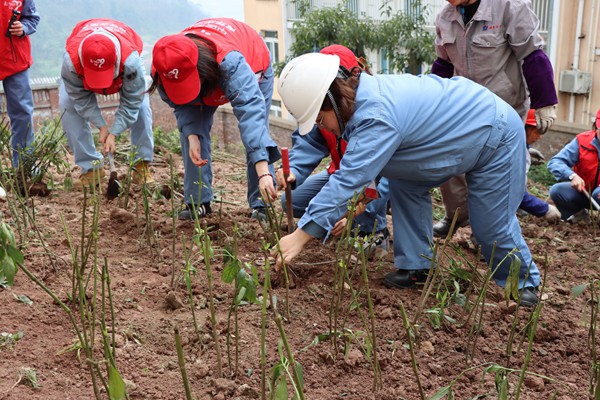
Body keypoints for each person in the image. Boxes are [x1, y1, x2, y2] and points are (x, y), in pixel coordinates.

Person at [275, 53, 542, 306]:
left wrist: (301, 235)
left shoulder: (375, 114)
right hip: (448, 141)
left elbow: (349, 178)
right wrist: (357, 202)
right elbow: (368, 165)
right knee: (405, 182)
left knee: (489, 225)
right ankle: (417, 266)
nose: (324, 129)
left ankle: (523, 284)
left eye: (321, 120)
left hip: (494, 135)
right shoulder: (362, 104)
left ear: (332, 100)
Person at [431, 0, 558, 237]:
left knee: (498, 170)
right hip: (463, 104)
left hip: (504, 106)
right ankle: (456, 217)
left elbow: (532, 54)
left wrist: (545, 101)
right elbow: (443, 64)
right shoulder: (446, 17)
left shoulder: (509, 6)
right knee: (452, 161)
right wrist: (430, 102)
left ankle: (495, 232)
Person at [150, 18, 280, 220]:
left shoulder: (230, 64)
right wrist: (192, 133)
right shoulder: (164, 67)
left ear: (199, 68)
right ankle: (198, 201)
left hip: (252, 62)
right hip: (205, 77)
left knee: (255, 133)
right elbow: (180, 104)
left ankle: (262, 203)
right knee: (191, 138)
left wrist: (264, 171)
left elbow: (251, 114)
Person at [276, 45, 389, 255]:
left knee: (369, 197)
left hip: (371, 182)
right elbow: (308, 143)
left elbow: (383, 176)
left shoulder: (370, 113)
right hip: (339, 175)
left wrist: (356, 208)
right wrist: (293, 171)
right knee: (293, 201)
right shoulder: (324, 109)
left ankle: (373, 231)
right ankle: (334, 221)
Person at [60, 18, 154, 189]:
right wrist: (102, 126)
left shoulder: (130, 61)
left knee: (141, 106)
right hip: (80, 75)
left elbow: (132, 100)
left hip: (125, 72)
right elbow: (79, 97)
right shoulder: (71, 62)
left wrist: (114, 132)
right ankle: (91, 168)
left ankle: (141, 165)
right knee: (68, 105)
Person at [0, 0, 39, 167]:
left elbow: (32, 18)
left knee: (22, 113)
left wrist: (23, 28)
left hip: (16, 60)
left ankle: (24, 169)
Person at [547, 108, 600, 222]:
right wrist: (572, 175)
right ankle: (580, 215)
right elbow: (555, 162)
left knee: (598, 193)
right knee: (557, 191)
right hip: (583, 192)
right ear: (596, 125)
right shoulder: (582, 141)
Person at [519, 109, 561, 222]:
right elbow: (516, 193)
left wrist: (527, 150)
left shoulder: (518, 146)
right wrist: (545, 209)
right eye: (537, 132)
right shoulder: (516, 152)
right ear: (525, 128)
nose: (540, 136)